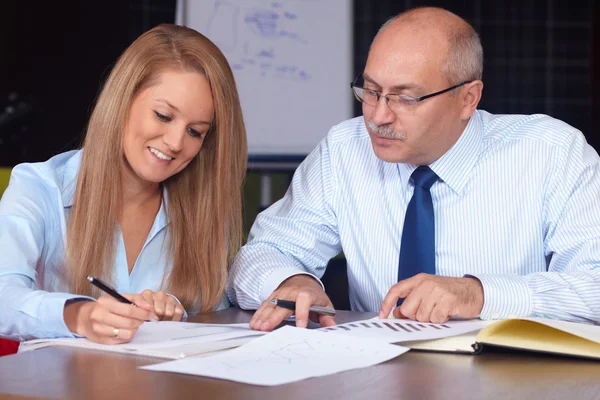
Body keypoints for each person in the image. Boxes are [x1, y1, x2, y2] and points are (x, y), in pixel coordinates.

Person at [228, 7, 600, 331]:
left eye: (405, 98)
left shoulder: (552, 153)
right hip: (375, 377)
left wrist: (480, 294)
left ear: (468, 98)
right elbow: (263, 252)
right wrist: (291, 281)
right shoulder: (345, 149)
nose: (378, 116)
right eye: (370, 91)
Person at [0, 24, 247, 344]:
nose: (174, 142)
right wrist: (79, 315)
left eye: (195, 132)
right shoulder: (38, 188)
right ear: (122, 100)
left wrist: (175, 312)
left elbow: (218, 323)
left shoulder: (205, 212)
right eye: (163, 115)